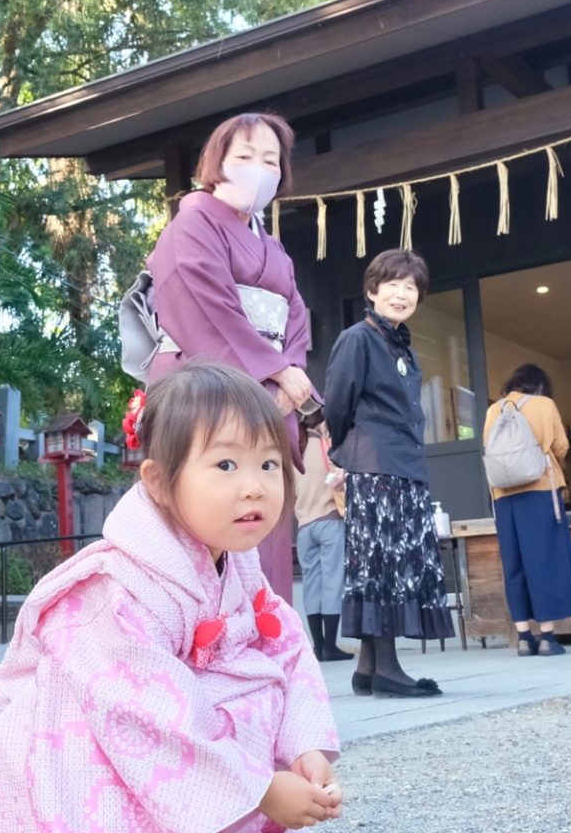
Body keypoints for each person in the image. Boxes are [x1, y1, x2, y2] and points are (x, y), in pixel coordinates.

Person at [0, 364, 342, 833]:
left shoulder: (240, 569)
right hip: (78, 749)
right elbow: (147, 710)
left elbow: (286, 650)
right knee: (195, 703)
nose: (254, 485)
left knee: (253, 675)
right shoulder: (117, 587)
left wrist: (303, 748)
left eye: (268, 464)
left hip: (169, 743)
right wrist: (258, 787)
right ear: (158, 481)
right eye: (226, 464)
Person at [144, 112, 315, 604]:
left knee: (265, 526)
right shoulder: (193, 222)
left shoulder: (274, 247)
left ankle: (264, 657)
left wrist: (290, 378)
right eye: (244, 157)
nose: (258, 169)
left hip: (270, 396)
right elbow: (204, 305)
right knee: (207, 520)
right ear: (215, 163)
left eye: (270, 160)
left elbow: (296, 317)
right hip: (205, 388)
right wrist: (274, 370)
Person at [324, 249, 455, 697]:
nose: (402, 293)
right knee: (381, 565)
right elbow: (337, 405)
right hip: (376, 465)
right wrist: (351, 453)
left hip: (403, 464)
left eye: (411, 286)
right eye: (393, 284)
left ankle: (368, 668)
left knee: (394, 563)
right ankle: (389, 668)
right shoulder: (358, 338)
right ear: (372, 290)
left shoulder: (401, 345)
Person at [482, 364, 571, 655]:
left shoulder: (494, 410)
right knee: (545, 562)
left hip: (503, 496)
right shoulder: (544, 404)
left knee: (514, 565)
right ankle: (547, 638)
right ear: (539, 385)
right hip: (540, 492)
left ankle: (524, 637)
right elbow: (561, 446)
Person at [295, 421, 352, 662]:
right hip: (329, 521)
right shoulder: (325, 445)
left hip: (304, 526)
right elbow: (337, 477)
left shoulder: (294, 449)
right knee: (332, 582)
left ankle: (317, 646)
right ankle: (330, 645)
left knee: (311, 584)